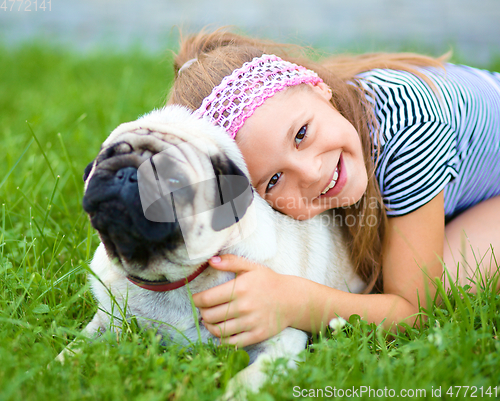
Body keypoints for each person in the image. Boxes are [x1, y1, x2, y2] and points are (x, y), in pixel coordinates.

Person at [167, 29, 500, 348]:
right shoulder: (334, 133)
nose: (310, 172)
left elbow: (413, 311)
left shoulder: (409, 126)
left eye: (301, 135)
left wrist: (293, 300)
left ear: (318, 88)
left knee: (436, 284)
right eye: (274, 180)